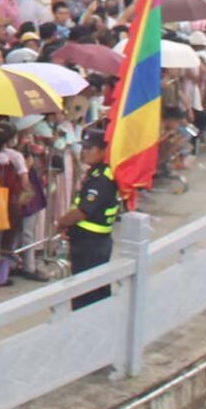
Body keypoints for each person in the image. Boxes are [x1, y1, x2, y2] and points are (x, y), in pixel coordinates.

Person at [56, 132, 122, 308]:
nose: (84, 152)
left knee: (88, 294)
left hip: (92, 245)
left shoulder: (101, 179)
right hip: (86, 242)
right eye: (83, 148)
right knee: (89, 289)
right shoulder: (95, 173)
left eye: (89, 148)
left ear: (103, 151)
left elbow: (83, 211)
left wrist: (61, 223)